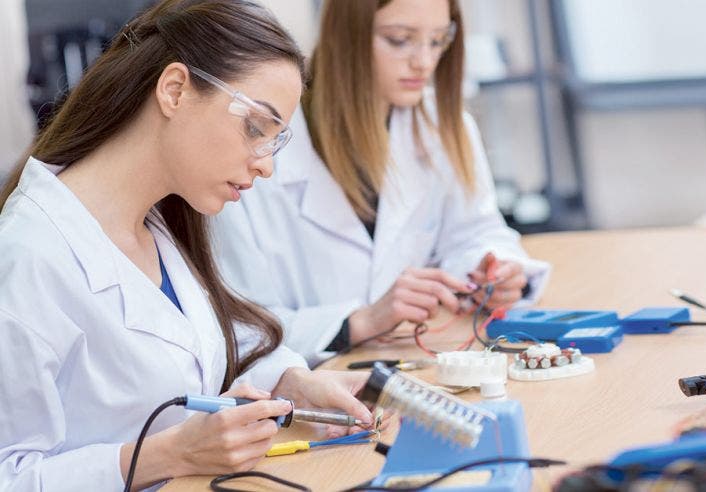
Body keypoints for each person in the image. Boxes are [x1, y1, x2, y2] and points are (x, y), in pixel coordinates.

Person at [0, 1, 374, 490]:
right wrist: (165, 455)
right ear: (175, 90)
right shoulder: (28, 256)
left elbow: (202, 347)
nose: (266, 166)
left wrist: (289, 382)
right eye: (255, 127)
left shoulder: (160, 222)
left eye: (275, 141)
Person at [212, 0, 551, 361]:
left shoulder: (444, 127)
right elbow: (238, 329)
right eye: (400, 39)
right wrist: (360, 321)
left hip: (418, 361)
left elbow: (476, 232)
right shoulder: (258, 150)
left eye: (437, 41)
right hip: (309, 390)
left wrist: (491, 271)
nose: (423, 61)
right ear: (345, 35)